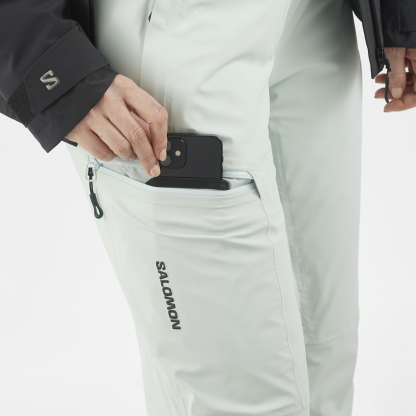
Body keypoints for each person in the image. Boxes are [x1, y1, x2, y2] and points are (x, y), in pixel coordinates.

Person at [0, 1, 415, 415]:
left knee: (325, 364)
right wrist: (47, 66)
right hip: (177, 26)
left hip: (316, 17)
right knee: (244, 399)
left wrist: (401, 15)